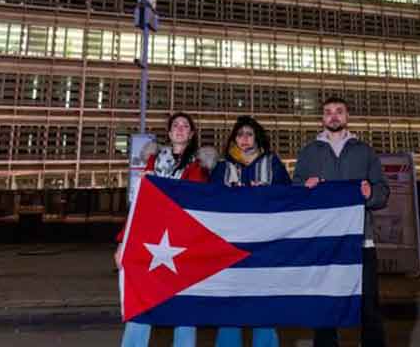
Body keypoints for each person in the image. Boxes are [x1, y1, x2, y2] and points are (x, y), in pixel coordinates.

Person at [293, 96, 389, 347]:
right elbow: (295, 192)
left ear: (347, 117)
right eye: (328, 112)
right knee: (325, 305)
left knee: (368, 305)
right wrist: (305, 188)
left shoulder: (364, 151)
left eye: (338, 111)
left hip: (361, 241)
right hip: (323, 241)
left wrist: (371, 194)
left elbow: (382, 190)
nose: (333, 116)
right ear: (322, 118)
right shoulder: (308, 152)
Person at [116, 112, 213, 347]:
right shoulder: (153, 161)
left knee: (184, 307)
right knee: (141, 301)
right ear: (169, 133)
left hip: (184, 243)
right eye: (175, 125)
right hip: (151, 241)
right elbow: (140, 206)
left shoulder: (200, 166)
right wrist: (123, 243)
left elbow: (199, 205)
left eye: (185, 126)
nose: (180, 129)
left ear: (191, 134)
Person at [211, 115, 291, 347]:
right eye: (240, 134)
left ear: (257, 138)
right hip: (230, 243)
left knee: (263, 298)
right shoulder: (222, 166)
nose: (244, 138)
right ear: (233, 139)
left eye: (249, 134)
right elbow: (209, 199)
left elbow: (288, 196)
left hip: (264, 243)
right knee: (229, 300)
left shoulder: (272, 163)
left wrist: (267, 193)